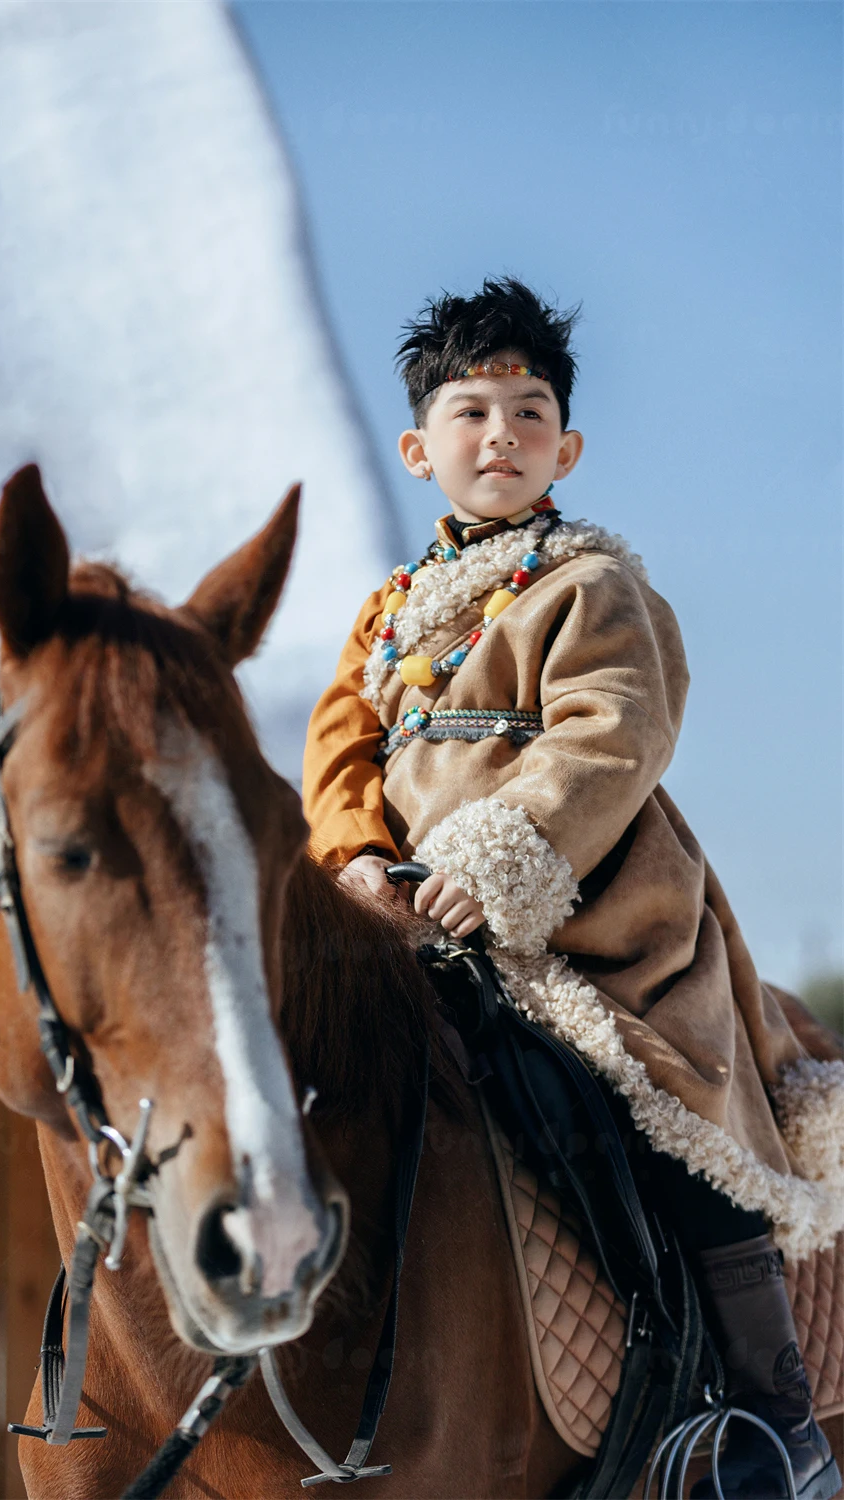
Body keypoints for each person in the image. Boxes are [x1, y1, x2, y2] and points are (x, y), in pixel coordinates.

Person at [302, 277, 843, 1499]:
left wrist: (498, 857)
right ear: (419, 449)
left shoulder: (591, 584)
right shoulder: (386, 617)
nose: (500, 433)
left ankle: (772, 1422)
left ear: (567, 447)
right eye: (470, 411)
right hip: (415, 928)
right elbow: (338, 748)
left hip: (594, 927)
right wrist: (355, 859)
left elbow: (613, 733)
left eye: (529, 412)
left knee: (666, 1124)